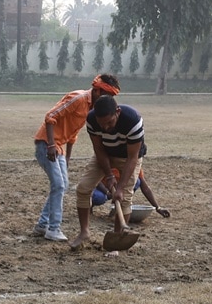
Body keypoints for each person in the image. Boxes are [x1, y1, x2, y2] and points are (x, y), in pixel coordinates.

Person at [33, 72, 120, 242]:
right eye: (106, 96)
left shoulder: (93, 110)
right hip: (46, 144)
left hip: (60, 148)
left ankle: (42, 224)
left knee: (63, 185)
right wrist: (51, 144)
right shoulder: (78, 99)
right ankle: (53, 228)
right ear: (96, 91)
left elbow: (73, 134)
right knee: (58, 185)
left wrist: (67, 160)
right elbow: (50, 116)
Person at [71, 95, 144, 250]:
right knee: (83, 189)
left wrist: (119, 187)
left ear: (117, 112)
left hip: (128, 157)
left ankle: (118, 237)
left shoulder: (133, 121)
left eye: (109, 122)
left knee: (124, 197)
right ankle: (84, 232)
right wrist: (109, 175)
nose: (105, 128)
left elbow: (133, 157)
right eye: (101, 124)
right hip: (105, 154)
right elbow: (98, 148)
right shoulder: (91, 120)